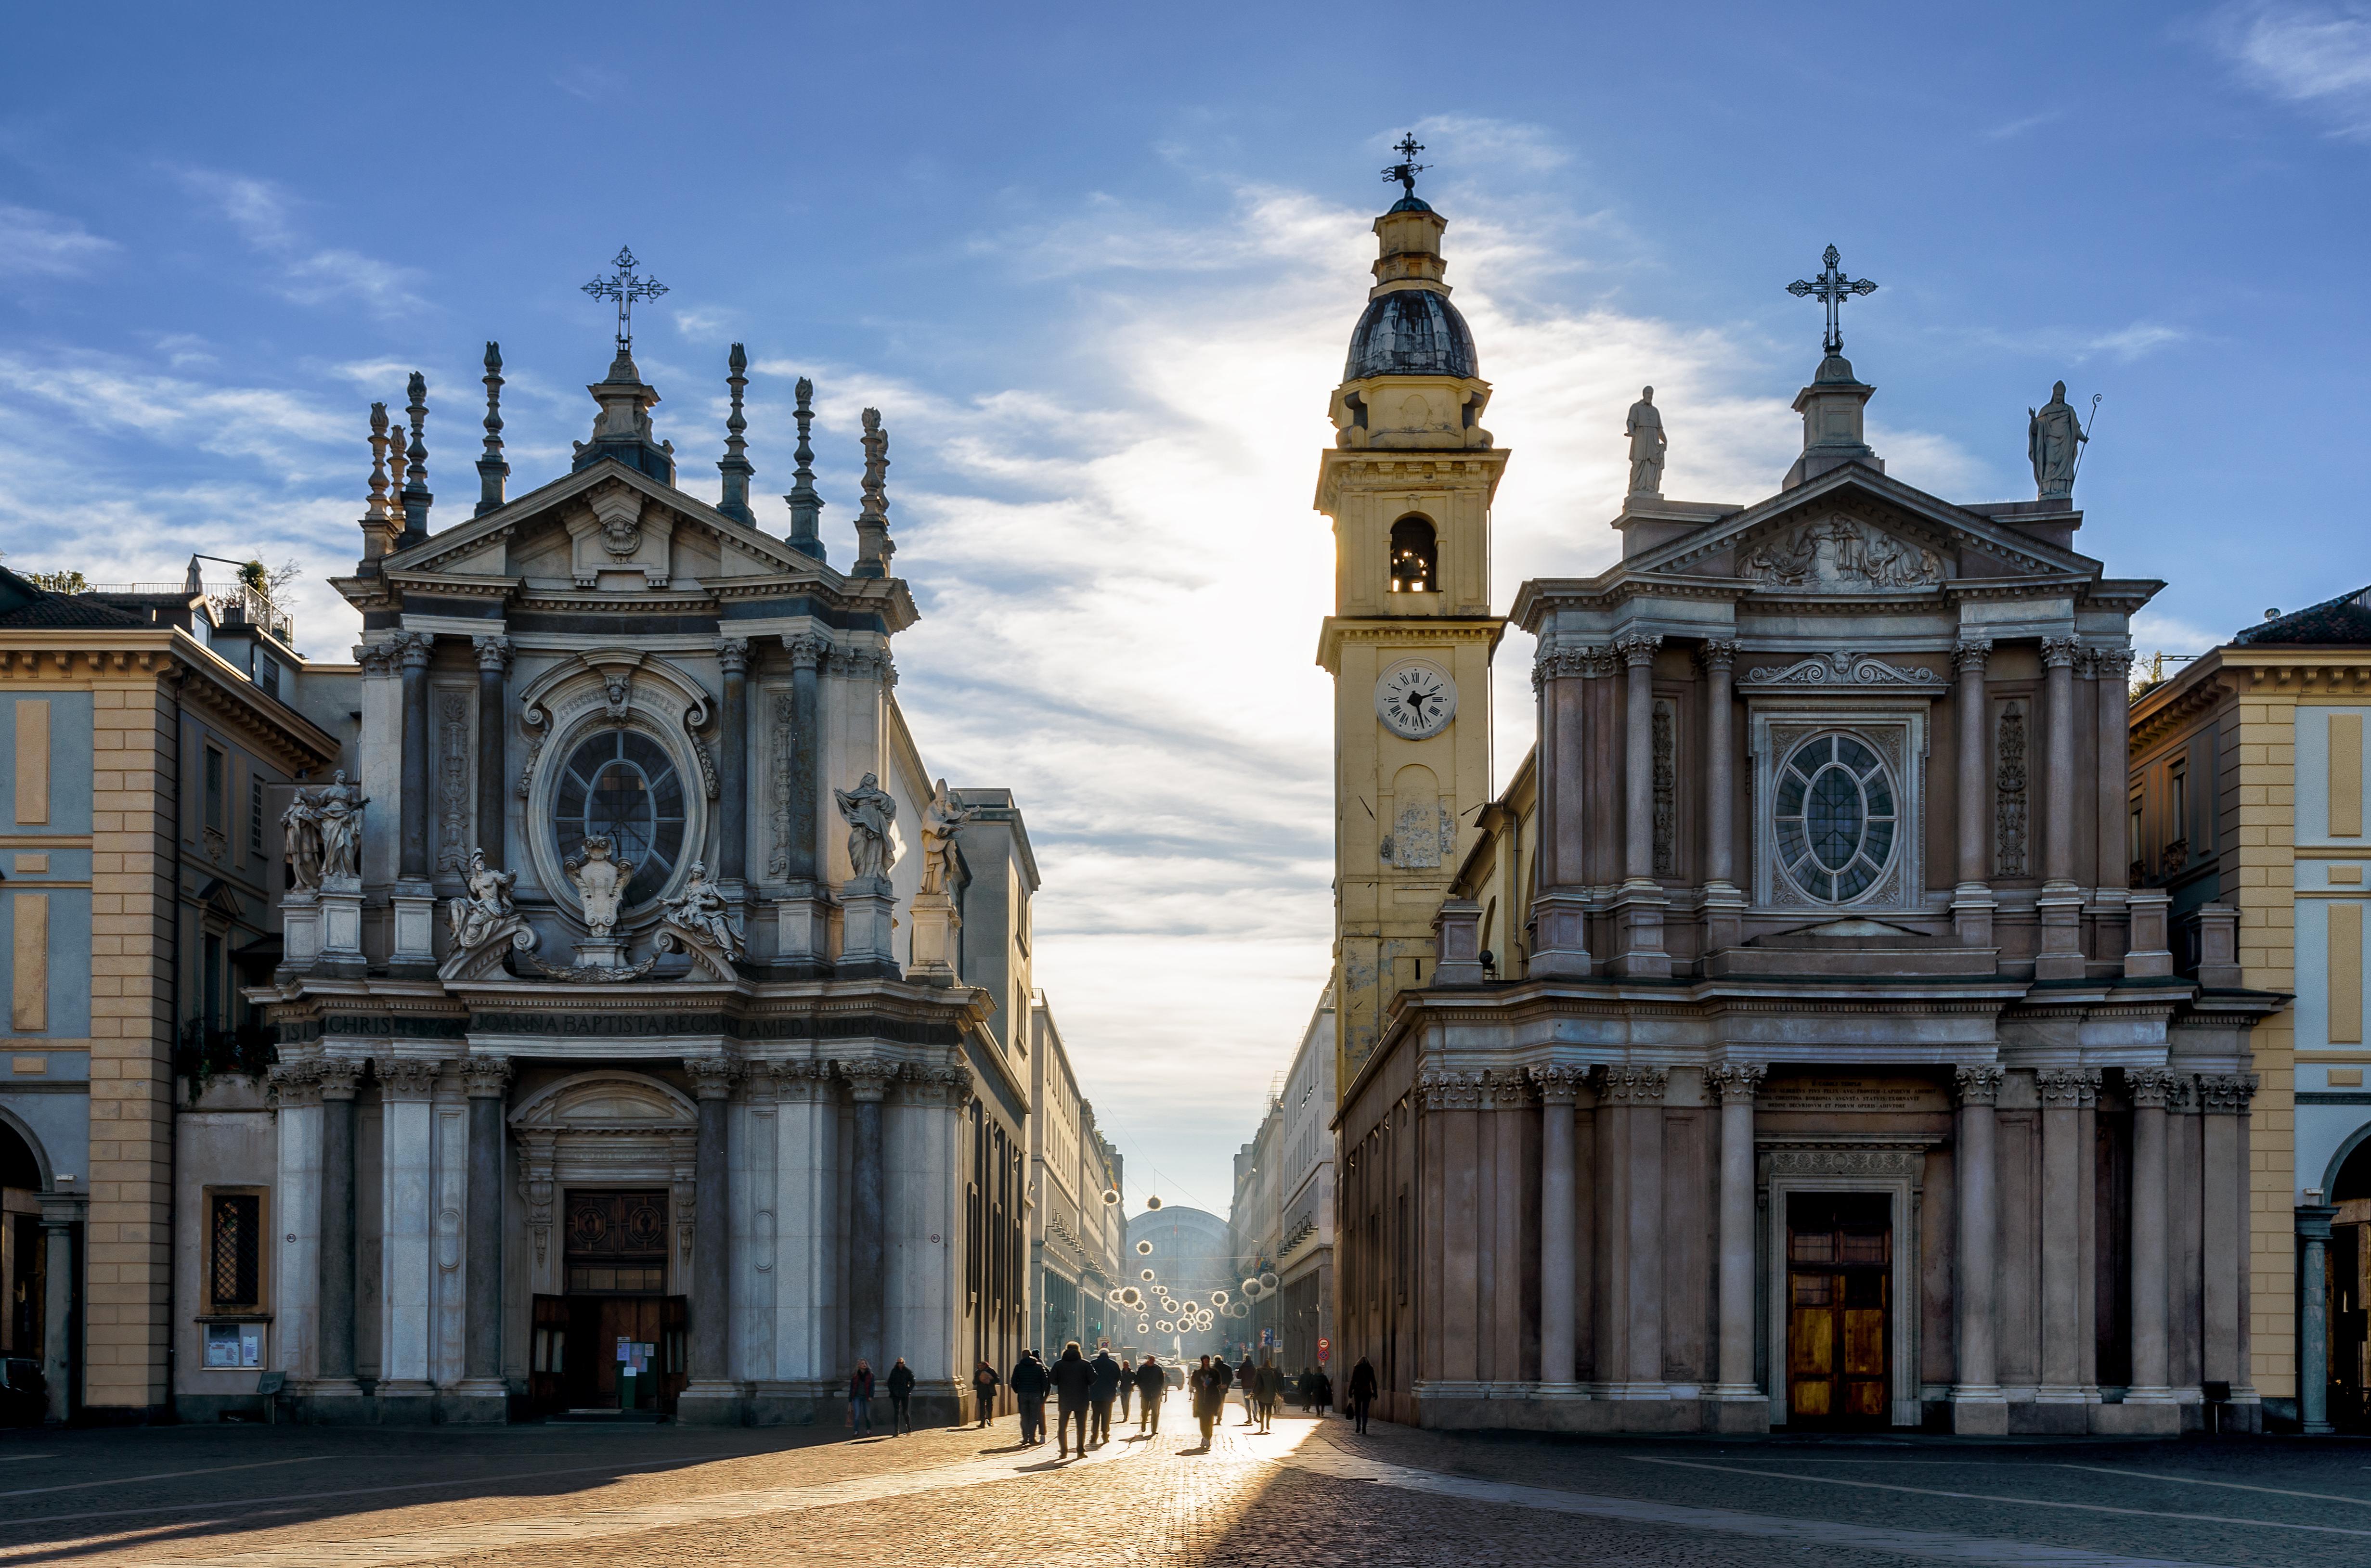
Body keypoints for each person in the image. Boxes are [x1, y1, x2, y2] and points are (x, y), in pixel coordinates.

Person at [1050, 1341, 1095, 1458]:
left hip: (1065, 1399)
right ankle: (1080, 1450)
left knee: (1062, 1426)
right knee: (1081, 1426)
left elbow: (1053, 1380)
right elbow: (1093, 1379)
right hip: (1081, 1399)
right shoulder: (1085, 1364)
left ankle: (1063, 1451)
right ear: (1078, 1350)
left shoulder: (1059, 1364)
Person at [1009, 1349, 1049, 1446]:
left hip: (1023, 1394)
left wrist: (1018, 1390)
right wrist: (1041, 1392)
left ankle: (1025, 1437)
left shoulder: (1019, 1367)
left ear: (1023, 1356)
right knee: (1034, 1417)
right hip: (1035, 1394)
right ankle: (1032, 1437)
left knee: (1024, 1416)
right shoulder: (1039, 1367)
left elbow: (1014, 1381)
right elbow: (1045, 1382)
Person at [1088, 1346, 1121, 1448]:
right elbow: (1119, 1377)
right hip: (1109, 1395)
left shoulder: (1093, 1363)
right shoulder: (1114, 1364)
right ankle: (1105, 1435)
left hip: (1095, 1394)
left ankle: (1094, 1436)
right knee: (1107, 1416)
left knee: (1096, 1416)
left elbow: (1089, 1377)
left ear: (1099, 1354)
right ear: (1108, 1354)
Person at [1191, 1355, 1226, 1448]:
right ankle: (1205, 1436)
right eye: (1204, 1360)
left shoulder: (1214, 1372)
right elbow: (1193, 1383)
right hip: (1201, 1399)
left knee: (1210, 1420)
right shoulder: (1197, 1373)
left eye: (1207, 1360)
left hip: (1212, 1399)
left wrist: (1210, 1383)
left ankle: (1208, 1438)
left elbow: (1219, 1382)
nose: (1206, 1361)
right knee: (1203, 1420)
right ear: (1202, 1361)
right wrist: (1202, 1385)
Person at [1134, 1354, 1165, 1435]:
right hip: (1145, 1394)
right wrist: (1142, 1388)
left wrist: (1159, 1388)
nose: (1152, 1362)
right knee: (1144, 1411)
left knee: (1155, 1412)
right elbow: (1138, 1380)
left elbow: (1162, 1380)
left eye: (1153, 1360)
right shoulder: (1142, 1369)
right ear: (1147, 1360)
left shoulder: (1158, 1369)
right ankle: (1144, 1423)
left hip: (1156, 1394)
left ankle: (1154, 1429)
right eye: (1150, 1360)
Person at [1347, 1354, 1378, 1435]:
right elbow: (1373, 1381)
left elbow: (1353, 1381)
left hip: (1358, 1392)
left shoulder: (1357, 1368)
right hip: (1367, 1391)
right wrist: (1375, 1392)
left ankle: (1358, 1426)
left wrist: (1350, 1391)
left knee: (1358, 1410)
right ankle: (1364, 1426)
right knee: (1365, 1410)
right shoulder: (1370, 1369)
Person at [885, 1356, 915, 1436]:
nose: (900, 1364)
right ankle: (896, 1430)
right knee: (896, 1412)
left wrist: (909, 1390)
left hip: (905, 1394)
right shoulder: (894, 1371)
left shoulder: (907, 1371)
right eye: (899, 1363)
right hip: (895, 1394)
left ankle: (909, 1427)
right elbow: (890, 1382)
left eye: (901, 1363)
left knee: (905, 1412)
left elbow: (913, 1381)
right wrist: (892, 1390)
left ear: (904, 1363)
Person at [848, 1359, 875, 1438]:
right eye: (862, 1364)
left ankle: (869, 1429)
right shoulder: (855, 1375)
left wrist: (871, 1396)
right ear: (859, 1365)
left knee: (867, 1414)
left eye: (865, 1363)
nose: (864, 1365)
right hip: (857, 1396)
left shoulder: (870, 1375)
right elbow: (852, 1388)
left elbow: (872, 1386)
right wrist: (850, 1400)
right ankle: (856, 1431)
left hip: (866, 1397)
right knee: (857, 1414)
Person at [1252, 1358, 1280, 1432]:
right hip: (1270, 1393)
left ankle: (1262, 1425)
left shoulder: (1259, 1371)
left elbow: (1255, 1381)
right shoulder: (1273, 1372)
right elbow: (1276, 1383)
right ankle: (1268, 1423)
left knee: (1262, 1410)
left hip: (1261, 1393)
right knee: (1269, 1410)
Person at [971, 1359, 1000, 1428]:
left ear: (985, 1365)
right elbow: (975, 1382)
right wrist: (980, 1379)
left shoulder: (991, 1371)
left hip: (989, 1391)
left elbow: (997, 1379)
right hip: (981, 1391)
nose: (980, 1367)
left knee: (989, 1406)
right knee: (982, 1407)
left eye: (981, 1366)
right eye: (979, 1366)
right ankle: (982, 1422)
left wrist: (989, 1382)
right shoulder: (978, 1372)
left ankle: (990, 1420)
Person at [1114, 1353, 1134, 1426]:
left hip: (1129, 1389)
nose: (1126, 1366)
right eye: (1125, 1364)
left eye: (1127, 1364)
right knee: (1123, 1403)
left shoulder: (1132, 1373)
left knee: (1127, 1403)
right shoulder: (1121, 1373)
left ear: (1128, 1365)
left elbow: (1136, 1380)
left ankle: (1127, 1416)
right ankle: (1124, 1415)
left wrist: (1132, 1385)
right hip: (1122, 1389)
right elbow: (1118, 1380)